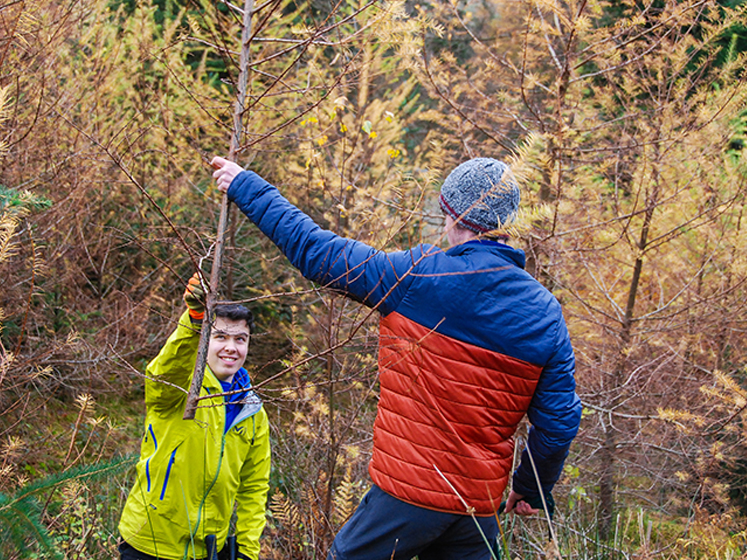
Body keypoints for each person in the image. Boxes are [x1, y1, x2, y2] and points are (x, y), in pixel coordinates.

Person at [211, 155, 581, 560]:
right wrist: (531, 486)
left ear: (453, 214)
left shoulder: (418, 276)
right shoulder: (546, 313)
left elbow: (317, 252)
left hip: (405, 499)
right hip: (477, 511)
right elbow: (559, 423)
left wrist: (247, 186)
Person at [118, 273, 271, 560]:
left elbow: (254, 488)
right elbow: (162, 373)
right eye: (221, 336)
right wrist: (195, 318)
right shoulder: (179, 390)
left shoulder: (253, 412)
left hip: (210, 550)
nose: (231, 347)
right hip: (150, 544)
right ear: (204, 340)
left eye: (240, 339)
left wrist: (247, 553)